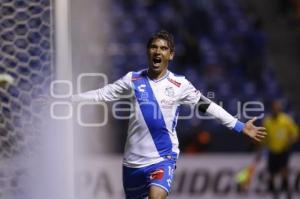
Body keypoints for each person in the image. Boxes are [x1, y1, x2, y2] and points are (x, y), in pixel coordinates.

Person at [72, 30, 267, 199]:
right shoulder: (132, 79)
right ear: (148, 51)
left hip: (163, 157)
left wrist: (240, 126)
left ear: (171, 55)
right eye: (154, 47)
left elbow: (208, 107)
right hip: (132, 162)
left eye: (163, 48)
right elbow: (101, 94)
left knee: (157, 196)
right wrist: (70, 99)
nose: (158, 51)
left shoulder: (180, 85)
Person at [263, 100, 298, 199]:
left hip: (283, 150)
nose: (276, 110)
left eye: (277, 107)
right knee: (272, 174)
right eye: (274, 108)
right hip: (272, 150)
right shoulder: (267, 121)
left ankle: (287, 192)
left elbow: (295, 133)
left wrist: (291, 140)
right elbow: (265, 137)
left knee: (284, 172)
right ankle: (275, 194)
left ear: (280, 109)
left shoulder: (286, 120)